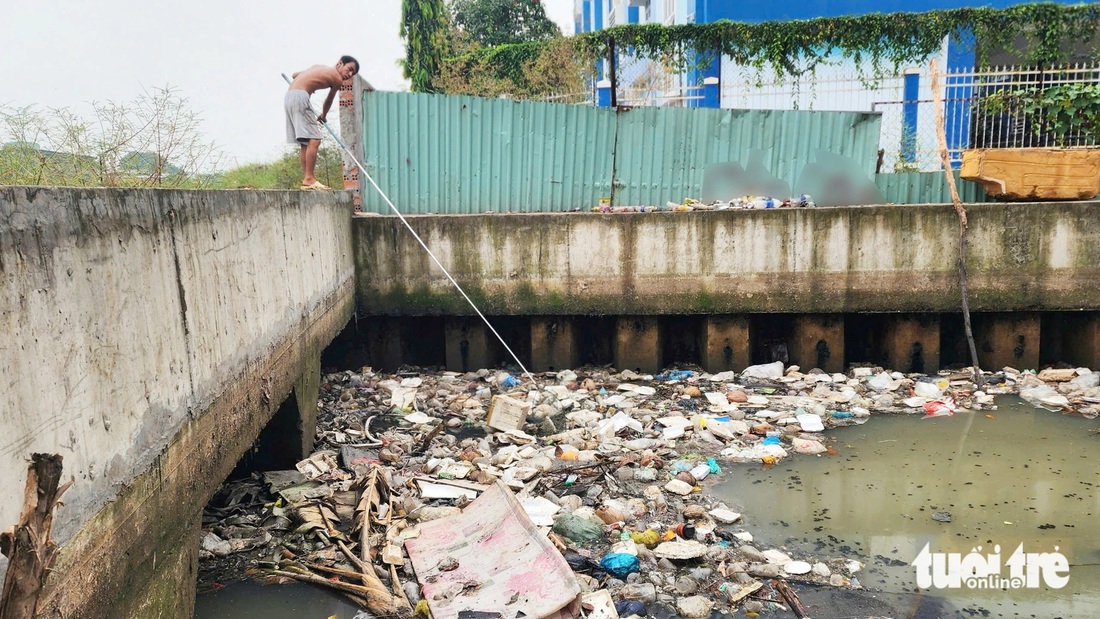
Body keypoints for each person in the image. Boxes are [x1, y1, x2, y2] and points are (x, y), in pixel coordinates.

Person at [285, 56, 359, 190]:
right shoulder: (336, 79)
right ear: (340, 63)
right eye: (349, 69)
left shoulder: (318, 67)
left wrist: (309, 83)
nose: (349, 74)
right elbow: (329, 100)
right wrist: (323, 115)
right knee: (315, 139)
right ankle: (309, 179)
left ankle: (307, 179)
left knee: (305, 142)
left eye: (352, 74)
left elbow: (295, 75)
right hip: (301, 97)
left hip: (289, 97)